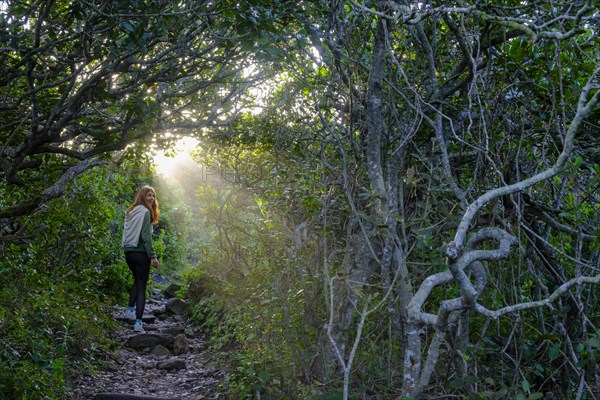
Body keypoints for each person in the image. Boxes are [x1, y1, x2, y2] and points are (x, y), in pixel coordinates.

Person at [121, 185, 160, 333]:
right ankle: (138, 323)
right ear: (142, 196)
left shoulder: (130, 211)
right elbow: (146, 237)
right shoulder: (145, 212)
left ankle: (129, 310)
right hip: (140, 253)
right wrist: (153, 256)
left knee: (137, 280)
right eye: (148, 195)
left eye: (153, 196)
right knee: (142, 286)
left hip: (128, 252)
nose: (151, 198)